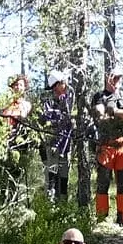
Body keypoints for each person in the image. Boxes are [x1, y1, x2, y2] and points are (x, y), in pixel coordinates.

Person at [89, 68, 123, 224]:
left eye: (118, 78)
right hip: (105, 144)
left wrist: (116, 112)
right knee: (103, 182)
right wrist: (119, 113)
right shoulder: (99, 96)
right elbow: (100, 114)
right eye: (113, 77)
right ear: (107, 78)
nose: (116, 80)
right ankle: (101, 218)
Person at [40, 71, 77, 199]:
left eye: (58, 86)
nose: (56, 90)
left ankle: (63, 203)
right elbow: (44, 116)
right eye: (54, 88)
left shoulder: (71, 93)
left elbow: (73, 116)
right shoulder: (47, 98)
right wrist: (58, 115)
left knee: (64, 174)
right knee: (51, 173)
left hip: (66, 144)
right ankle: (50, 203)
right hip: (51, 143)